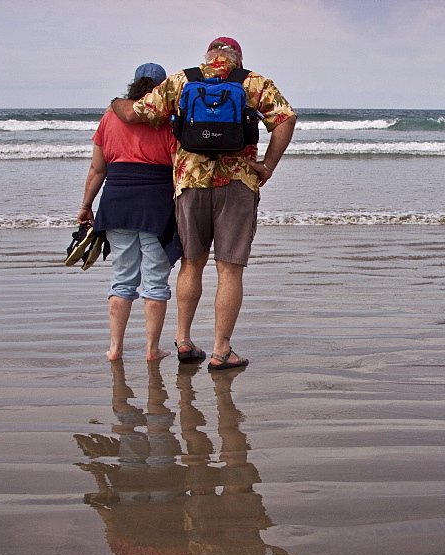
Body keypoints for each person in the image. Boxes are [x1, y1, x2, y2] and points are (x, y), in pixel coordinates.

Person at [110, 37, 296, 371]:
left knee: (192, 264)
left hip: (189, 182)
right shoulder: (253, 82)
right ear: (237, 59)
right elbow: (286, 119)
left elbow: (138, 112)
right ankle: (221, 350)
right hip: (238, 183)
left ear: (207, 56)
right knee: (229, 267)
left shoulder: (183, 79)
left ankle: (183, 340)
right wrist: (267, 165)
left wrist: (115, 102)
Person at [79, 63, 180, 362]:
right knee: (155, 280)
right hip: (156, 204)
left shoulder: (110, 117)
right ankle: (151, 349)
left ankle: (115, 348)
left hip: (117, 201)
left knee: (122, 278)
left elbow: (98, 168)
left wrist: (86, 205)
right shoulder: (168, 120)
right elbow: (178, 169)